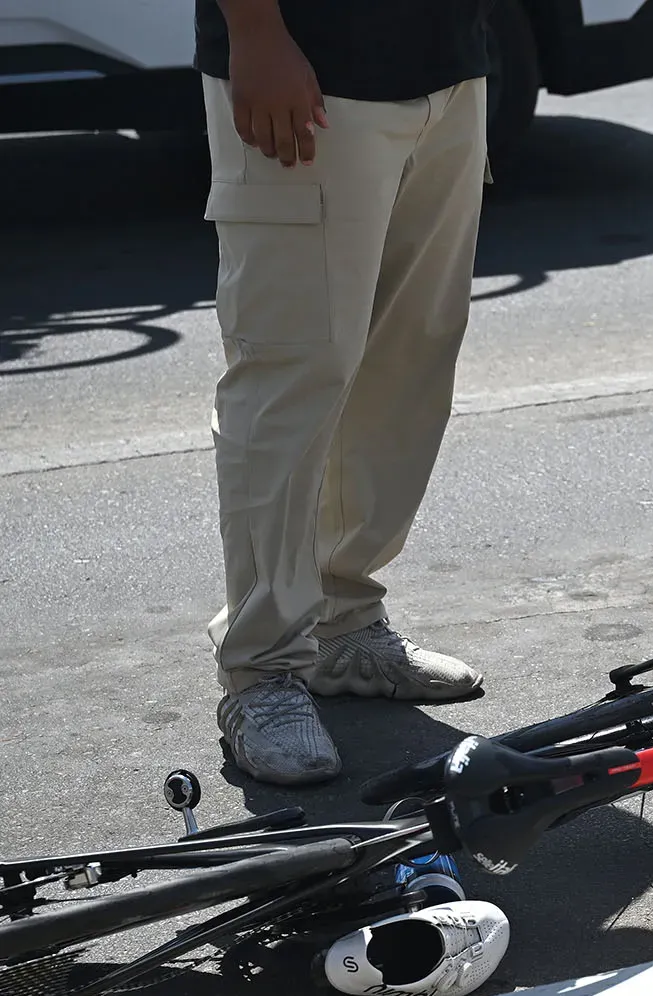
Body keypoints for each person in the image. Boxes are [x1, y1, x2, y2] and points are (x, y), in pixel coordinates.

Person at [195, 0, 492, 785]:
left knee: (407, 366)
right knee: (289, 374)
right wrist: (255, 30)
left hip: (449, 65)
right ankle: (260, 672)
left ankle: (344, 621)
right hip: (309, 66)